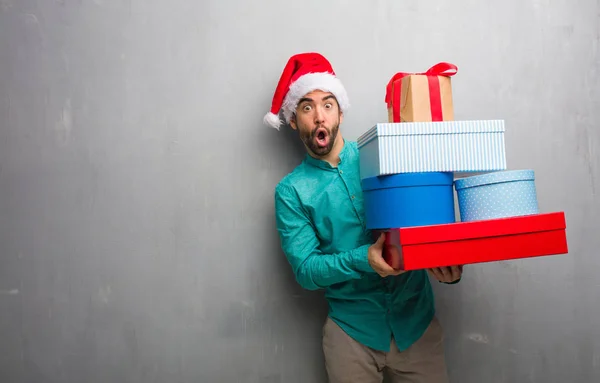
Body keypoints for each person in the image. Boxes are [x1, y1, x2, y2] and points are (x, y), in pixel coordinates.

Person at [265, 52, 462, 383]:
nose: (319, 117)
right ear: (294, 120)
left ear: (340, 111)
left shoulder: (383, 153)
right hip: (351, 336)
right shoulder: (291, 192)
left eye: (327, 105)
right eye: (307, 107)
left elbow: (426, 215)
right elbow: (306, 270)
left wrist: (448, 263)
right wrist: (363, 259)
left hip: (417, 326)